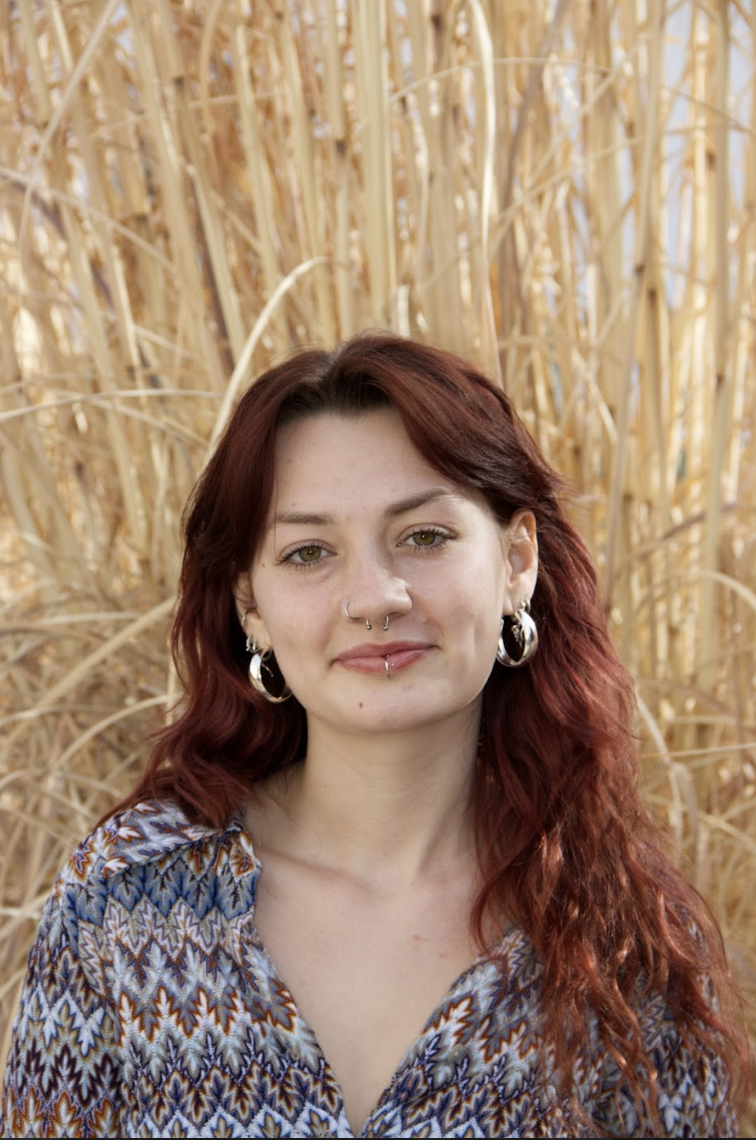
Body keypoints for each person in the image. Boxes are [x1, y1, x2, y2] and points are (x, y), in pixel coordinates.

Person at [1, 332, 749, 1138]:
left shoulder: (621, 944)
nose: (374, 597)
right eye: (309, 551)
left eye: (423, 536)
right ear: (251, 604)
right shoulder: (131, 901)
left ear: (516, 561)